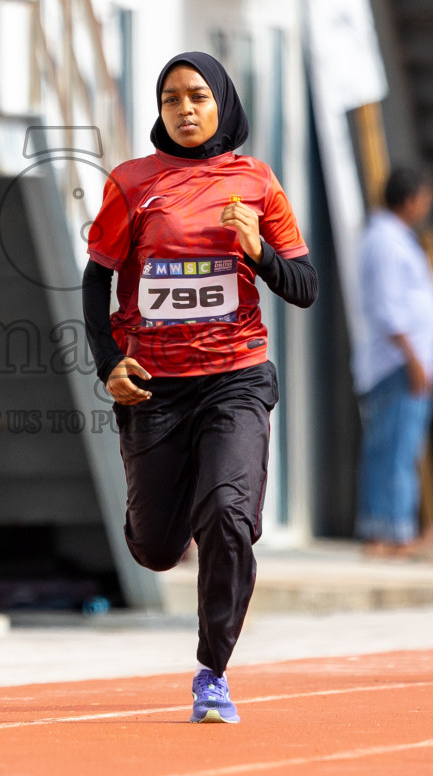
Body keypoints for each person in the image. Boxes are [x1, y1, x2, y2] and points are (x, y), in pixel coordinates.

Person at [83, 51, 317, 723]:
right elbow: (96, 276)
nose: (184, 109)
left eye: (197, 97)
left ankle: (212, 670)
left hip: (236, 377)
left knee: (228, 517)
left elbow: (303, 288)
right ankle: (189, 506)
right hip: (157, 386)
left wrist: (256, 251)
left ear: (222, 104)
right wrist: (108, 363)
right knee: (156, 549)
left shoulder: (257, 184)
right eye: (170, 99)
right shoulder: (132, 184)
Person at [353, 165, 433, 558]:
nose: (426, 206)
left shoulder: (393, 239)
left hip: (400, 362)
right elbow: (388, 308)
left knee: (392, 449)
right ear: (410, 199)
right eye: (424, 198)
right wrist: (415, 359)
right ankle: (392, 531)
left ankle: (386, 530)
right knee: (395, 449)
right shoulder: (386, 242)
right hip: (398, 364)